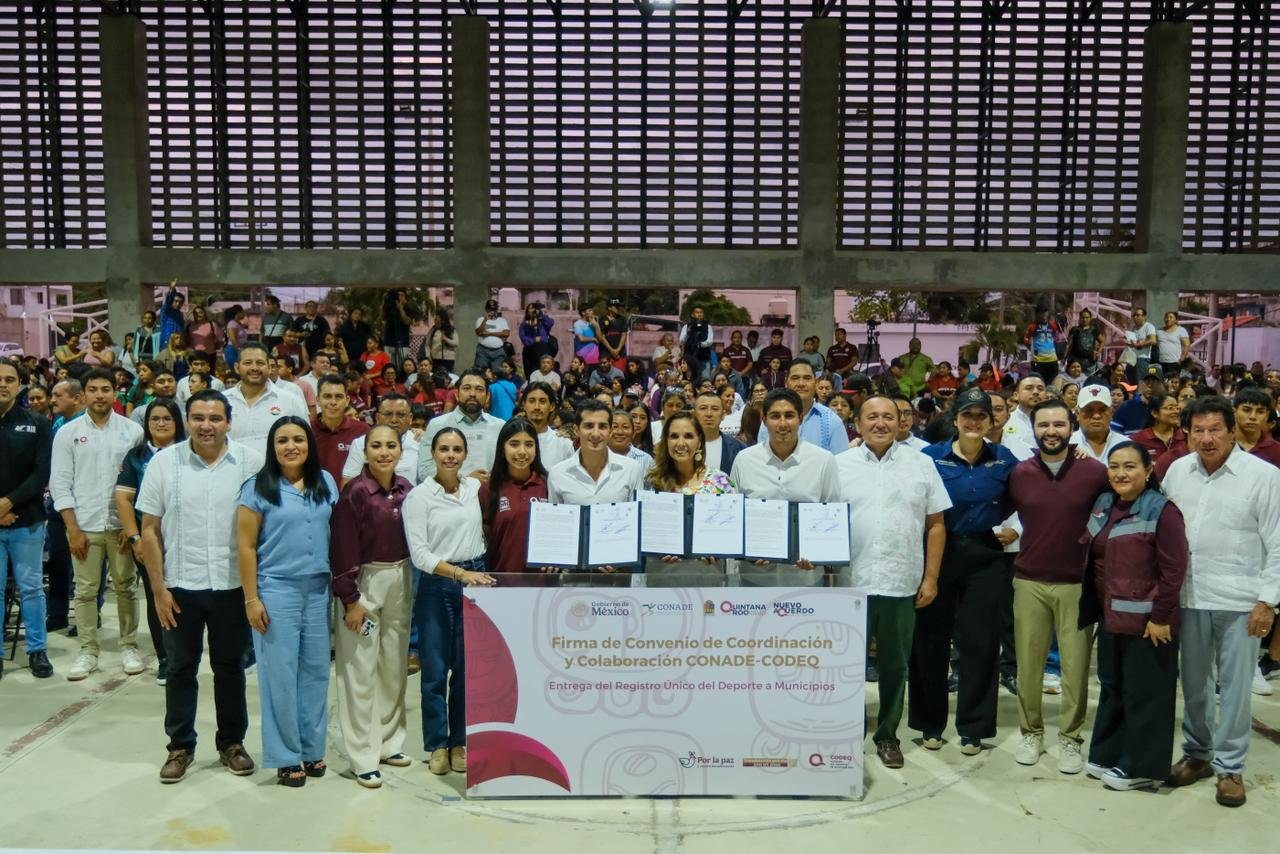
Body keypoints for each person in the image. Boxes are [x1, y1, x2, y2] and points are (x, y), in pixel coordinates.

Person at [136, 389, 265, 783]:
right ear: (187, 421)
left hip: (231, 586)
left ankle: (232, 743)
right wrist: (158, 589)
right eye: (198, 417)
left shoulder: (251, 463)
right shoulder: (164, 462)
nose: (206, 425)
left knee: (230, 668)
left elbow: (264, 526)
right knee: (180, 668)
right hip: (180, 587)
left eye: (215, 418)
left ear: (229, 422)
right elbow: (149, 529)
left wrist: (254, 592)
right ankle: (180, 746)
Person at [1162, 396, 1280, 807]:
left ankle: (1231, 767)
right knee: (1194, 683)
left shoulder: (1264, 476)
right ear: (1187, 433)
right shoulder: (1178, 471)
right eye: (1198, 430)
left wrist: (1268, 600)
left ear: (1232, 431)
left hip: (1241, 601)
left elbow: (1277, 541)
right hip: (1190, 595)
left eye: (1215, 429)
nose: (1206, 438)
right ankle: (1198, 754)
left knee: (1234, 689)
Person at [837, 395, 950, 768]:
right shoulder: (839, 465)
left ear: (902, 421)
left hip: (900, 581)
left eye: (889, 416)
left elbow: (936, 524)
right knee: (846, 664)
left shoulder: (921, 464)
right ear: (858, 423)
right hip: (850, 582)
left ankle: (887, 735)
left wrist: (931, 578)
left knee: (894, 665)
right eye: (872, 416)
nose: (881, 423)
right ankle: (845, 731)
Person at [910, 387, 1018, 755]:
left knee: (981, 642)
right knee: (931, 639)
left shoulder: (1004, 459)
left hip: (985, 554)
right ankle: (929, 723)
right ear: (955, 419)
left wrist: (1016, 529)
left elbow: (1026, 496)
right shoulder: (930, 458)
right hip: (937, 551)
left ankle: (974, 727)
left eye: (981, 416)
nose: (974, 422)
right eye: (967, 415)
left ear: (991, 421)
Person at [1006, 399, 1109, 774]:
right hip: (1029, 580)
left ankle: (1070, 738)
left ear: (1072, 427)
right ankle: (1031, 733)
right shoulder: (1020, 473)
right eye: (1044, 425)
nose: (1051, 431)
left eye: (1059, 424)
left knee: (1075, 669)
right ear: (1033, 429)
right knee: (1028, 665)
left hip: (1076, 584)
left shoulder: (1094, 472)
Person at [1079, 441, 1188, 791]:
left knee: (1146, 694)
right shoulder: (1104, 503)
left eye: (1130, 466)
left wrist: (1161, 617)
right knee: (1113, 688)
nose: (1120, 473)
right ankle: (1107, 753)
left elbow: (1174, 570)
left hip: (1148, 624)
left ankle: (1142, 767)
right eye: (1114, 466)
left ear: (1148, 470)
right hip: (1111, 617)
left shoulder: (1162, 511)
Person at [237, 417, 337, 787]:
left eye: (298, 439)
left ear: (309, 444)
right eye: (282, 440)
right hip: (277, 590)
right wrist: (251, 598)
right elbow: (246, 547)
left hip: (318, 589)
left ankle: (311, 748)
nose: (291, 446)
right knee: (279, 674)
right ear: (272, 446)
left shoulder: (325, 482)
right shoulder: (257, 487)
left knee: (316, 671)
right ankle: (285, 755)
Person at [404, 428, 497, 774]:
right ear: (433, 452)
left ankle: (460, 741)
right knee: (434, 670)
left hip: (475, 580)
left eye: (457, 449)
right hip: (438, 585)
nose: (450, 455)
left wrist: (472, 574)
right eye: (444, 449)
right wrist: (459, 574)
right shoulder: (419, 497)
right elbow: (420, 555)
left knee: (465, 670)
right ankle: (437, 744)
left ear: (465, 454)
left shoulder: (473, 488)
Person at [329, 425, 415, 787]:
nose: (384, 452)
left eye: (390, 445)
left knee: (393, 666)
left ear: (400, 451)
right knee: (359, 671)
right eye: (376, 446)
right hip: (364, 581)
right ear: (365, 452)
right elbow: (341, 547)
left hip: (401, 577)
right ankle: (362, 753)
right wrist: (350, 600)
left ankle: (389, 741)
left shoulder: (407, 489)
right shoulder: (356, 493)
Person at [50, 368, 145, 680]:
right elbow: (60, 483)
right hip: (84, 525)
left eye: (106, 389)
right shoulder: (68, 433)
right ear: (83, 395)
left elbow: (141, 482)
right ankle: (88, 650)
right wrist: (72, 529)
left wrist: (132, 527)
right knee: (86, 591)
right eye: (93, 390)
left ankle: (129, 645)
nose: (100, 395)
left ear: (115, 393)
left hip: (121, 526)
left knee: (126, 587)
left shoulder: (133, 431)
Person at [730, 388, 840, 588]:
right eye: (775, 416)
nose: (782, 424)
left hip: (805, 579)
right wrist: (747, 554)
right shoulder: (744, 460)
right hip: (755, 578)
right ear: (764, 420)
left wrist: (819, 555)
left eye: (789, 416)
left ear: (800, 418)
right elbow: (734, 516)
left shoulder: (823, 460)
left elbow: (832, 514)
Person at [115, 398, 187, 687]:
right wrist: (135, 538)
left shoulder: (190, 451)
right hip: (149, 541)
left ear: (177, 422)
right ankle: (166, 659)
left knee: (187, 600)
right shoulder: (136, 456)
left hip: (186, 540)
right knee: (158, 596)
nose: (160, 423)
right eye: (155, 419)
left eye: (167, 418)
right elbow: (124, 498)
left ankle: (185, 657)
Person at [0, 359, 53, 680]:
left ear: (19, 385)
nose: (2, 384)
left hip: (27, 520)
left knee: (31, 588)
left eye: (9, 379)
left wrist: (7, 503)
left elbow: (41, 473)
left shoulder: (38, 424)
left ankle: (37, 650)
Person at [643, 411, 735, 587]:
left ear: (699, 440)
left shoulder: (720, 481)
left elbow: (730, 533)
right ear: (665, 441)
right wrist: (658, 549)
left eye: (688, 436)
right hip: (662, 578)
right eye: (674, 436)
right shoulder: (653, 481)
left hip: (707, 579)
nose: (680, 443)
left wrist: (718, 549)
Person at [479, 418, 551, 580]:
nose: (522, 452)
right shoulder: (488, 489)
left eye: (529, 444)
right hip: (501, 582)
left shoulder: (549, 485)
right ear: (502, 448)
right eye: (514, 444)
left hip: (543, 584)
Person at [548, 399, 645, 506]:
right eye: (589, 426)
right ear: (576, 430)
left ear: (610, 431)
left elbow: (636, 514)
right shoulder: (558, 474)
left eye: (602, 426)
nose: (595, 434)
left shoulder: (631, 469)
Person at [223, 344, 311, 455]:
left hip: (276, 466)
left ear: (269, 368)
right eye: (248, 363)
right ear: (237, 367)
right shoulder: (222, 401)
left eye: (260, 363)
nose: (254, 368)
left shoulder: (291, 401)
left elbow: (305, 440)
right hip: (232, 465)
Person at [418, 370, 504, 482]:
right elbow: (424, 471)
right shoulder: (437, 425)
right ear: (457, 395)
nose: (472, 394)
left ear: (487, 397)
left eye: (479, 389)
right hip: (449, 492)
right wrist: (464, 480)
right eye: (466, 388)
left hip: (490, 491)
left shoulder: (499, 427)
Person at [756, 361, 849, 455]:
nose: (801, 383)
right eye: (795, 378)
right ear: (786, 383)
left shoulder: (832, 421)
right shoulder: (772, 419)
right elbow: (762, 457)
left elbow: (840, 462)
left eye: (807, 378)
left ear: (816, 383)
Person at [343, 393, 420, 488]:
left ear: (410, 418)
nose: (394, 420)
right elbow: (348, 486)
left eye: (401, 415)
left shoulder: (419, 442)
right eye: (388, 414)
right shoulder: (360, 444)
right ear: (377, 418)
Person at [312, 373, 370, 484]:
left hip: (352, 494)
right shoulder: (307, 430)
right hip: (314, 494)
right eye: (327, 396)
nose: (333, 402)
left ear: (347, 400)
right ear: (318, 400)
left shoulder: (362, 430)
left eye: (338, 397)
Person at [692, 389, 746, 473]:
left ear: (723, 414)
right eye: (703, 408)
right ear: (694, 414)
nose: (709, 414)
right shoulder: (683, 445)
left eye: (715, 409)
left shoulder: (739, 448)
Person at [1072, 384, 1126, 462]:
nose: (1096, 416)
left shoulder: (1126, 445)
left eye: (1102, 410)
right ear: (1077, 414)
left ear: (1111, 413)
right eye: (1089, 410)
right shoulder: (1066, 446)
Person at [1131, 392, 1186, 459]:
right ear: (1154, 413)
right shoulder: (1138, 439)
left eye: (1177, 408)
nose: (1176, 411)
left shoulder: (1185, 437)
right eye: (1170, 408)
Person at [1233, 386, 1280, 465]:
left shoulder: (1276, 450)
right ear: (1234, 412)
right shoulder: (1221, 443)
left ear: (1267, 415)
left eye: (1260, 412)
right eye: (1246, 410)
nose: (1253, 417)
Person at [1003, 375, 1046, 455]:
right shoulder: (1005, 421)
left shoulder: (1057, 421)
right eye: (1029, 388)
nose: (1036, 392)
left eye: (1040, 389)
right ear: (1016, 395)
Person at [1024, 307, 1063, 384]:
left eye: (1045, 311)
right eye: (1041, 312)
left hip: (1052, 360)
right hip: (1038, 361)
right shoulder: (1033, 326)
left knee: (1053, 384)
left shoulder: (1053, 325)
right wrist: (1033, 351)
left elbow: (1056, 339)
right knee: (1039, 383)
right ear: (1037, 314)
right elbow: (1026, 340)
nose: (1044, 314)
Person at [518, 303, 556, 379]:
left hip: (543, 349)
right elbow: (523, 337)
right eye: (531, 308)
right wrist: (533, 340)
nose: (533, 310)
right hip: (530, 351)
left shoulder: (542, 322)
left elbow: (551, 323)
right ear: (527, 311)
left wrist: (541, 314)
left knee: (544, 372)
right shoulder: (524, 324)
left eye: (534, 308)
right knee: (531, 374)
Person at [1124, 307, 1158, 383]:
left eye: (1138, 315)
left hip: (1142, 359)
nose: (1135, 317)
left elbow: (1153, 340)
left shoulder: (1149, 326)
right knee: (1130, 382)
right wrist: (1127, 341)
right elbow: (1133, 343)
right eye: (1134, 315)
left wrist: (1139, 345)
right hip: (1132, 359)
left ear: (1144, 316)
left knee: (1140, 382)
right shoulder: (1133, 328)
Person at [474, 298, 510, 372]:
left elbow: (506, 334)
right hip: (483, 351)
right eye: (489, 309)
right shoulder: (480, 319)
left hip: (498, 352)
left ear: (496, 309)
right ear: (486, 309)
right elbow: (478, 332)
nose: (491, 311)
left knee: (498, 372)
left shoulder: (502, 320)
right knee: (481, 371)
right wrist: (485, 320)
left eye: (493, 309)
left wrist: (489, 333)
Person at [679, 306, 713, 381]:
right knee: (689, 379)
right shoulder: (686, 326)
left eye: (701, 312)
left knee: (705, 379)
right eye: (697, 312)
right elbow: (681, 341)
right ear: (692, 314)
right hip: (690, 358)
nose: (699, 314)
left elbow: (710, 341)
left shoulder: (708, 326)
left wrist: (699, 344)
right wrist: (687, 333)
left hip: (703, 358)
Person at [336, 307, 374, 373]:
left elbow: (370, 339)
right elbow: (339, 340)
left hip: (362, 355)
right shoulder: (343, 327)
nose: (357, 315)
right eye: (355, 313)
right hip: (348, 356)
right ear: (351, 314)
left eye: (359, 314)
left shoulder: (365, 327)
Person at [1067, 309, 1104, 375]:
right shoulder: (1075, 329)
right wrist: (1065, 358)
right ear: (1080, 318)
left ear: (1090, 318)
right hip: (1076, 362)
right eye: (1083, 317)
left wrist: (1098, 352)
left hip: (1090, 363)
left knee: (1089, 380)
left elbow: (1103, 341)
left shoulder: (1094, 330)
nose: (1085, 319)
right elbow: (1069, 344)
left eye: (1087, 317)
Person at [1155, 312, 1189, 377]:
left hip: (1175, 362)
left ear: (1176, 320)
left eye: (1171, 317)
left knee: (1172, 381)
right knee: (1162, 381)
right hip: (1161, 362)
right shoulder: (1159, 331)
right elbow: (1155, 344)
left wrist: (1182, 358)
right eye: (1166, 317)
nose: (1168, 319)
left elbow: (1186, 345)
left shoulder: (1181, 330)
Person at [601, 298, 628, 369]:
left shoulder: (622, 319)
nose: (618, 308)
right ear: (609, 308)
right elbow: (602, 337)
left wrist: (618, 350)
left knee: (619, 374)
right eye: (616, 306)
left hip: (620, 354)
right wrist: (611, 350)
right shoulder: (602, 320)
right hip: (606, 354)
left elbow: (624, 335)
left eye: (619, 306)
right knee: (606, 373)